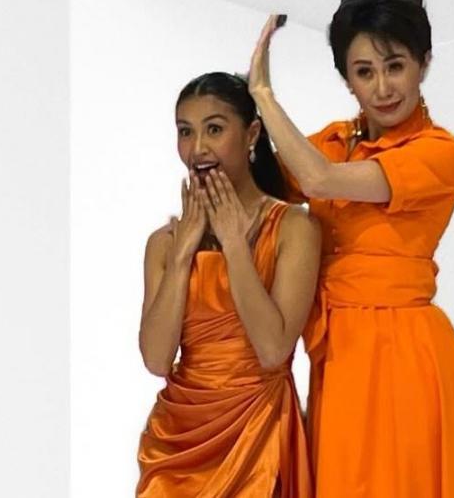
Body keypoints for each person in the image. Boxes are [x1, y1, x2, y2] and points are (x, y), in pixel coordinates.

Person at [247, 0, 454, 497]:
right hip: (337, 352)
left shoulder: (438, 152)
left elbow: (317, 180)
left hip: (402, 350)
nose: (383, 87)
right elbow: (265, 183)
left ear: (424, 63)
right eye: (364, 72)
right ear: (347, 79)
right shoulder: (336, 141)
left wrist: (263, 94)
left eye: (395, 66)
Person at [136, 72, 320, 497]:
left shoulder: (294, 228)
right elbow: (157, 360)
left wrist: (235, 245)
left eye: (214, 129)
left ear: (251, 134)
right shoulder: (164, 244)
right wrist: (182, 256)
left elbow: (273, 350)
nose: (198, 148)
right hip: (179, 445)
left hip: (258, 435)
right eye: (185, 131)